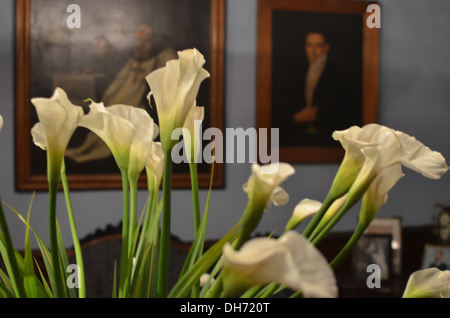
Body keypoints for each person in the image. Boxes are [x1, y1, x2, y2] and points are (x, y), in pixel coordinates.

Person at [66, 24, 177, 163]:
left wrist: (155, 76)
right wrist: (108, 94)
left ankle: (101, 151)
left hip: (137, 98)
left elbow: (172, 69)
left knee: (119, 123)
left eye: (142, 37)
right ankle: (85, 148)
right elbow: (121, 78)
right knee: (103, 118)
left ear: (149, 38)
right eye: (137, 37)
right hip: (121, 94)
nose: (138, 41)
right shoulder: (135, 56)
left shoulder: (161, 55)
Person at [273, 30, 360, 147]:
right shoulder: (295, 73)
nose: (313, 51)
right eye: (309, 45)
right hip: (299, 138)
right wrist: (297, 117)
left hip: (328, 140)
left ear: (327, 48)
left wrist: (319, 115)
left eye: (318, 46)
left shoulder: (338, 75)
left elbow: (346, 110)